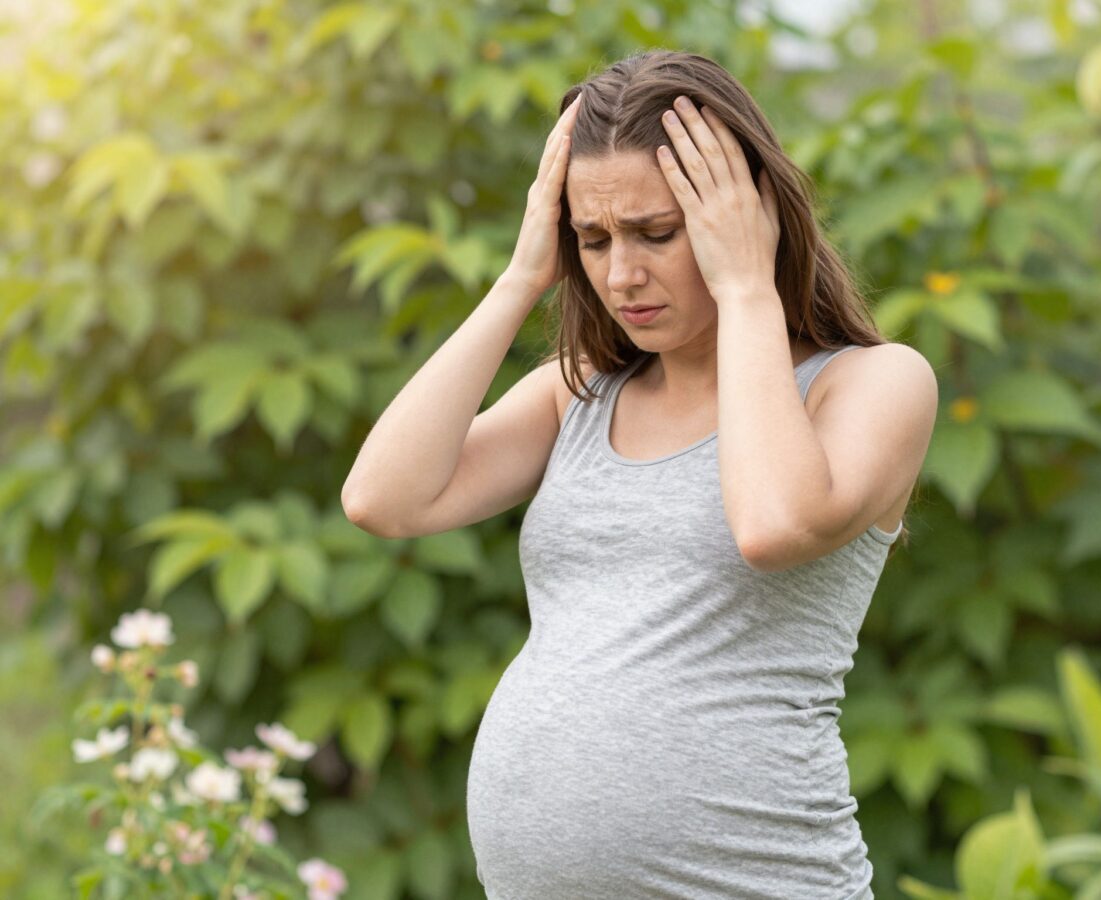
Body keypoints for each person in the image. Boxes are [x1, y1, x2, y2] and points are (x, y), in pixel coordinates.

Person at [343, 49, 937, 900]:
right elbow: (383, 500)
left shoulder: (872, 383)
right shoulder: (579, 391)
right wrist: (520, 278)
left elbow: (773, 525)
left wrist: (746, 292)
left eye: (657, 233)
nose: (622, 275)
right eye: (593, 239)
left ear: (742, 215)